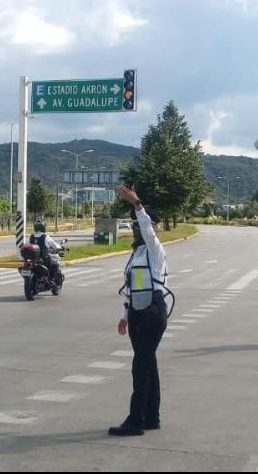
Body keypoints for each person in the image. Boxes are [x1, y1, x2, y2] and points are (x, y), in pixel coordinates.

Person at [109, 185, 173, 437]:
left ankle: (135, 421)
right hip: (137, 311)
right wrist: (125, 316)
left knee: (140, 366)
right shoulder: (136, 254)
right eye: (134, 225)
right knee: (148, 364)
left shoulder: (155, 249)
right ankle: (151, 418)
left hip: (153, 311)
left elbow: (147, 229)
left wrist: (138, 204)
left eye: (138, 225)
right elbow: (132, 287)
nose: (135, 228)